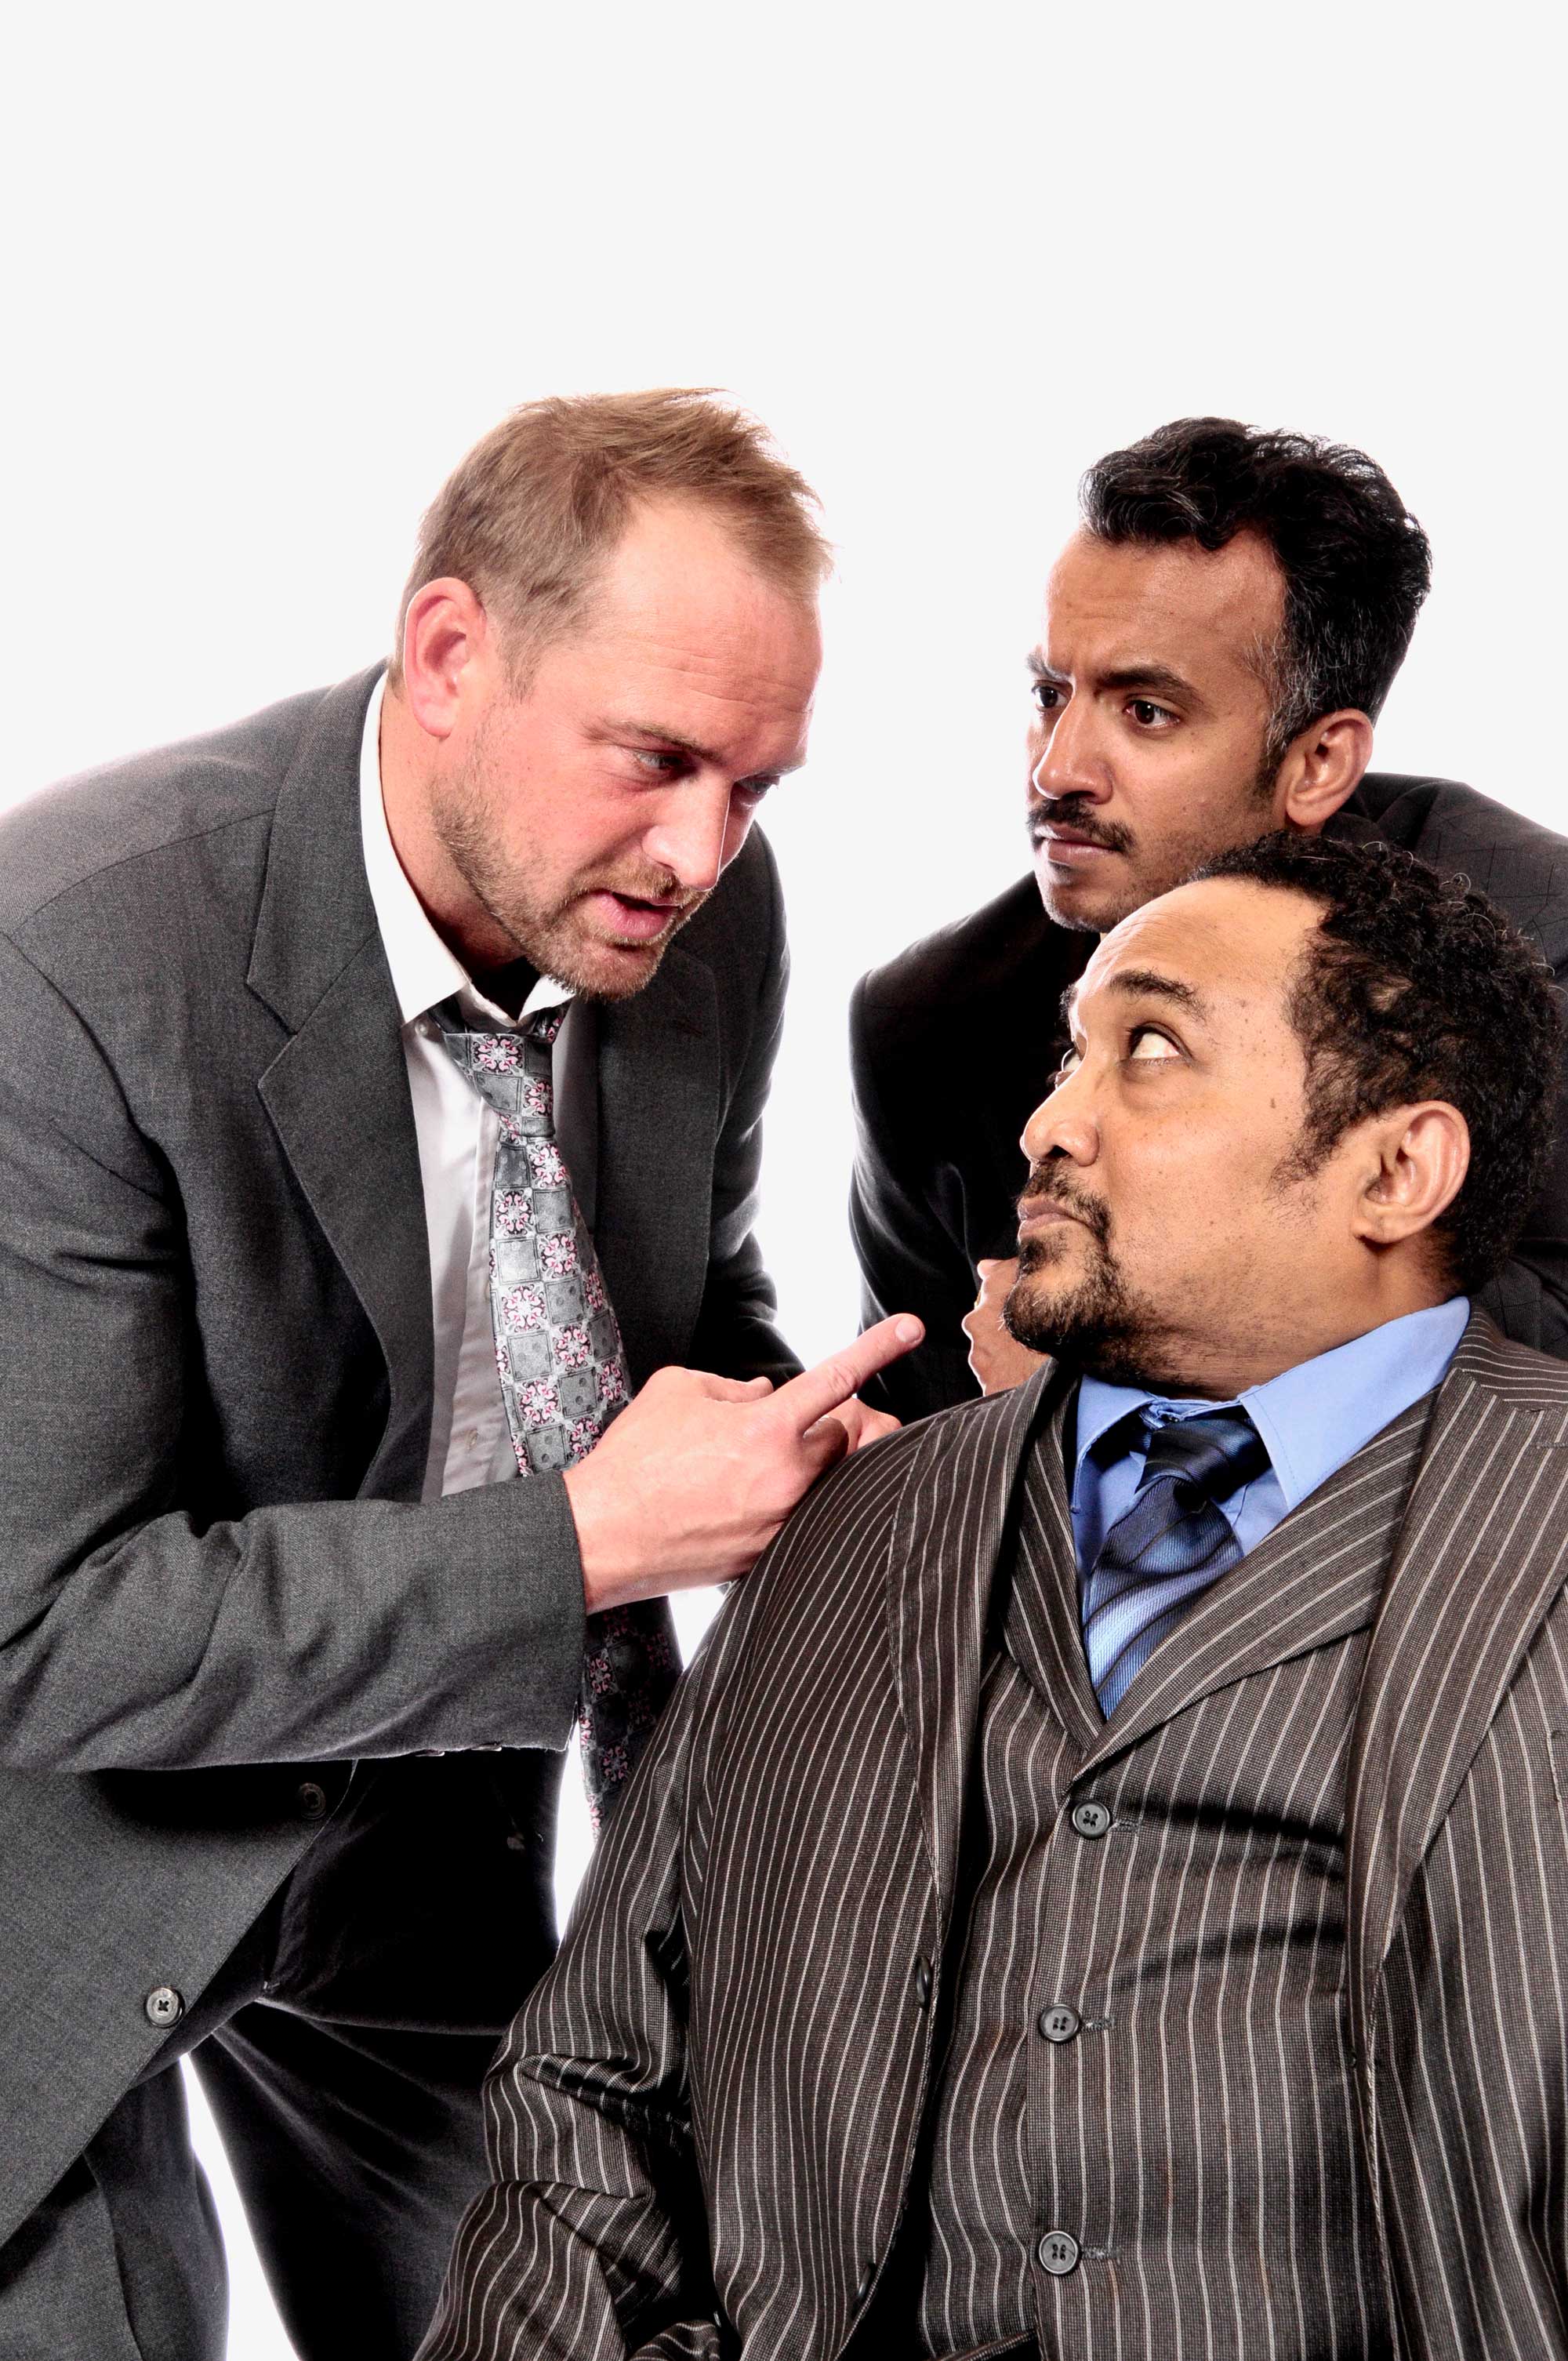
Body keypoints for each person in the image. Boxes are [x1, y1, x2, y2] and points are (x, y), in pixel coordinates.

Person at [0, 389, 918, 2359]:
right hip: (58, 1864)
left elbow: (669, 1287)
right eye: (657, 760)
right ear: (447, 656)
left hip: (432, 1819)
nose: (698, 851)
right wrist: (584, 1541)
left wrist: (793, 1436)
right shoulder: (63, 966)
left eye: (754, 786)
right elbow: (43, 1639)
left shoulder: (699, 919)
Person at [421, 833, 1568, 2361]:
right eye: (1067, 1053)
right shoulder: (859, 1518)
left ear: (1393, 1167)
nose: (1047, 1123)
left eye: (1147, 1050)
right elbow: (598, 2081)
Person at [851, 416, 1568, 1420]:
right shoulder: (928, 1024)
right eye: (1050, 693)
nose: (1057, 769)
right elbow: (916, 1450)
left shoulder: (1546, 944)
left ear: (1317, 762)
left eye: (1145, 710)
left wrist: (1113, 1365)